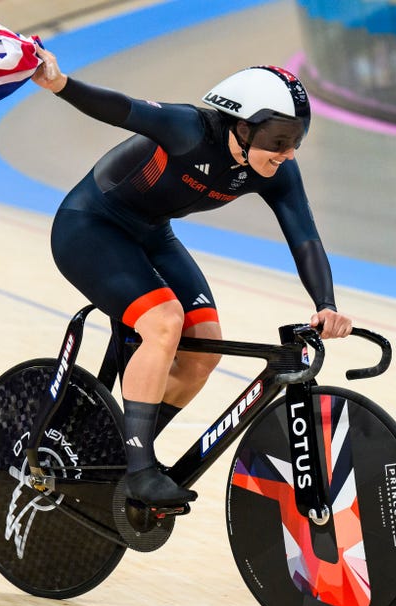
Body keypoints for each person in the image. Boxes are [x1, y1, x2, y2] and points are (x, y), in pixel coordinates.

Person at [31, 48, 353, 507]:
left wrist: (326, 303)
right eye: (279, 140)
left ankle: (114, 453)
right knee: (165, 321)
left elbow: (304, 237)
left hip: (152, 235)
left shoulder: (275, 170)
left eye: (296, 140)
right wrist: (61, 84)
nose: (288, 153)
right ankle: (141, 470)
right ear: (242, 127)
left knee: (204, 347)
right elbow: (122, 109)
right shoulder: (188, 130)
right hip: (90, 226)